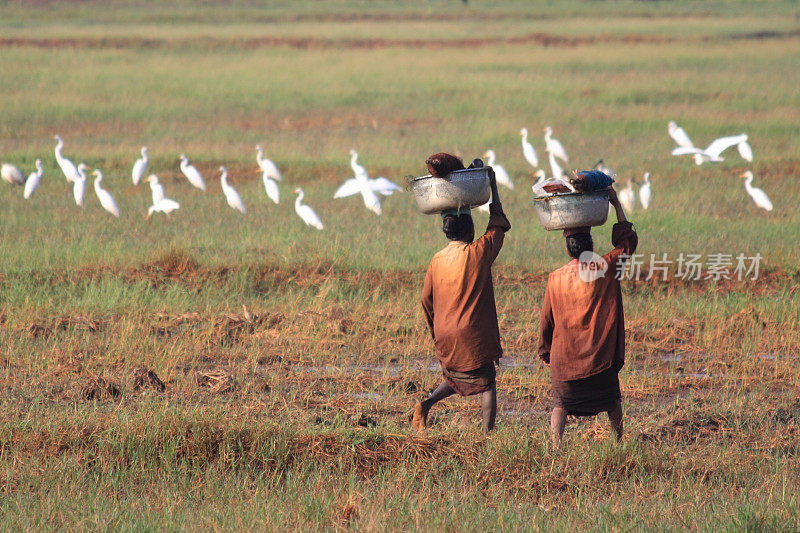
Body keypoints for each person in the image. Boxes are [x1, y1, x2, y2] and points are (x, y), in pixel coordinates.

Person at [413, 159, 511, 434]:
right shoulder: (478, 252)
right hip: (472, 336)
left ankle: (426, 404)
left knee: (456, 377)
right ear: (469, 229)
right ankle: (486, 435)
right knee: (487, 381)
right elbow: (498, 227)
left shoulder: (437, 260)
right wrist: (492, 185)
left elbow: (425, 301)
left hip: (445, 334)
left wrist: (437, 331)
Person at [538, 187, 638, 445]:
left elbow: (546, 321)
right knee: (612, 401)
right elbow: (627, 242)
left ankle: (554, 449)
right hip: (599, 359)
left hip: (565, 362)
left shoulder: (555, 278)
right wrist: (616, 203)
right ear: (590, 245)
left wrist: (546, 353)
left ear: (568, 249)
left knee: (560, 405)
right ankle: (619, 443)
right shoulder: (605, 267)